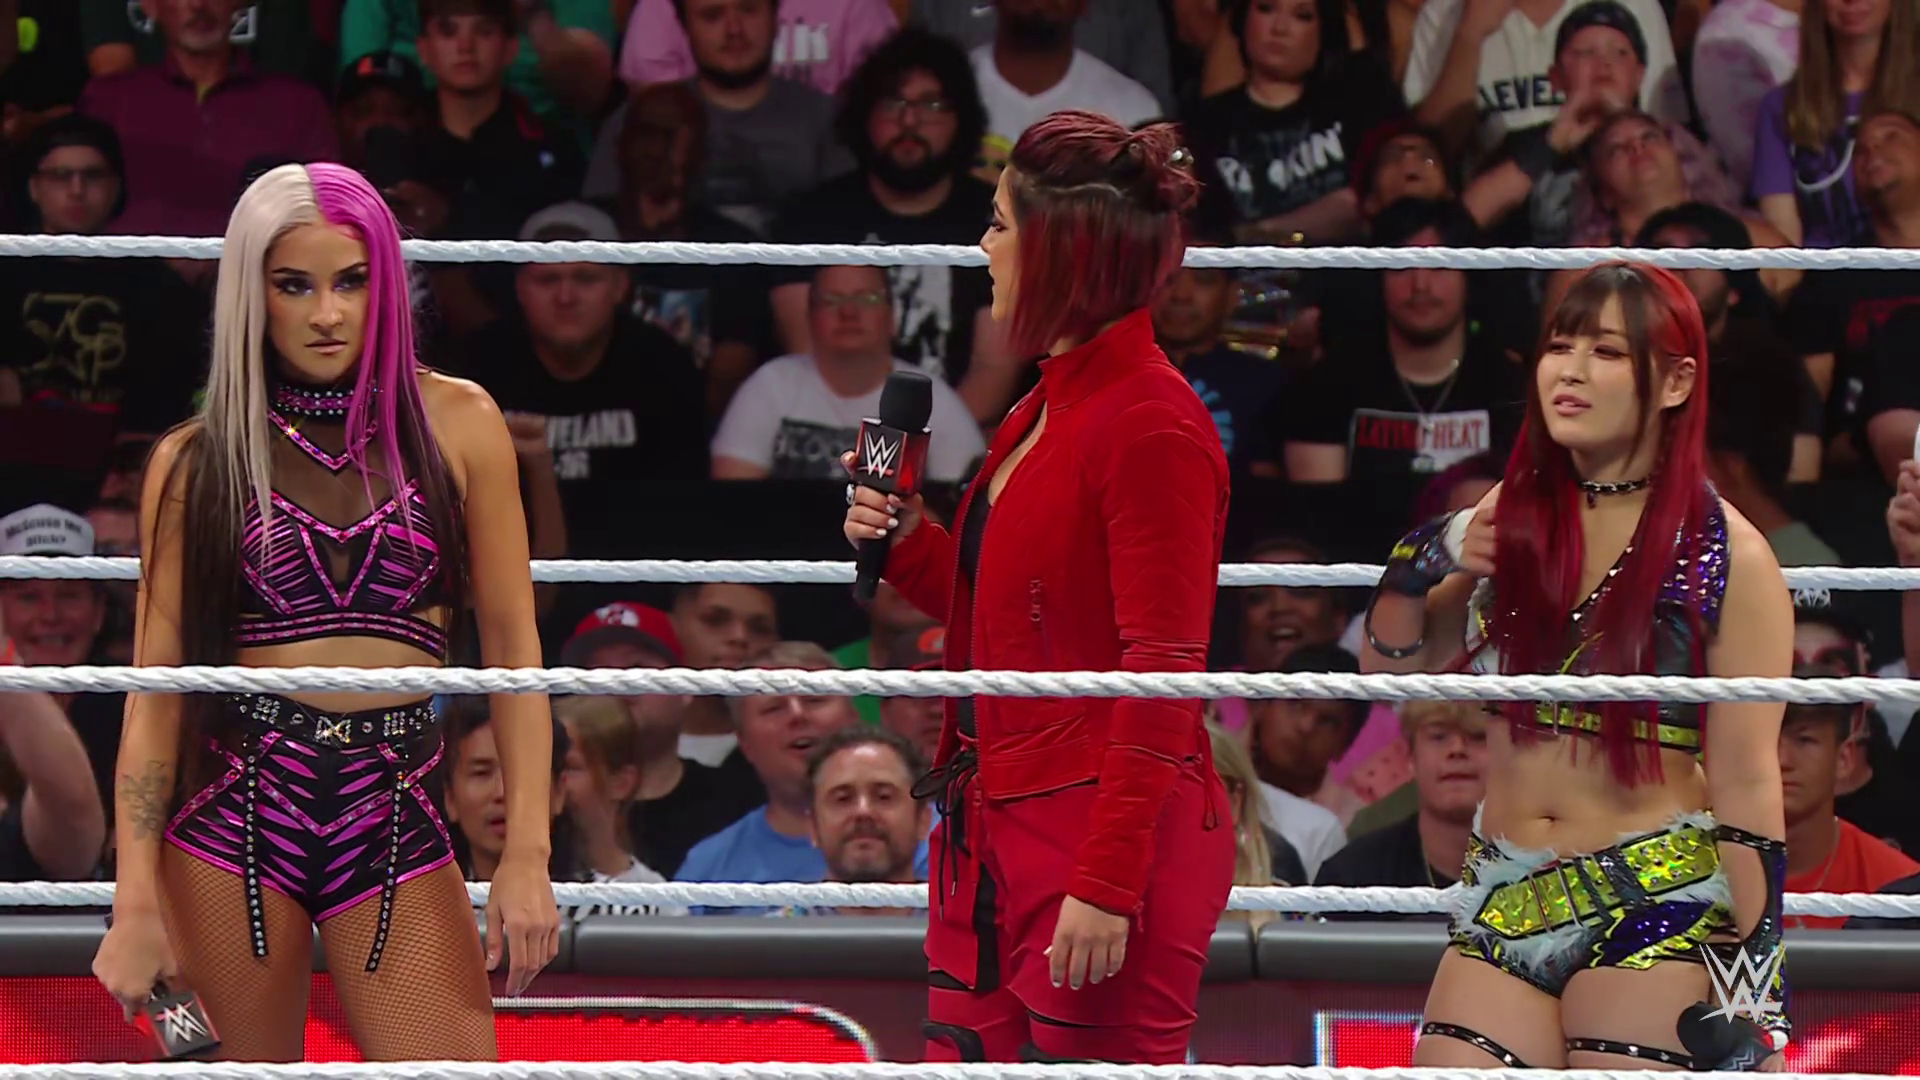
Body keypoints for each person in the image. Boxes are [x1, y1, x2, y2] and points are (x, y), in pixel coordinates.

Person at [89, 163, 559, 1061]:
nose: (327, 314)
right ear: (250, 293)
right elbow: (155, 696)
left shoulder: (462, 422)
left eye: (351, 281)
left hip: (394, 805)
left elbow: (514, 651)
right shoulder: (194, 460)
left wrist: (528, 855)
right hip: (230, 812)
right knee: (207, 1067)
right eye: (293, 285)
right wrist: (134, 900)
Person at [842, 109, 1233, 1064]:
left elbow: (1165, 667)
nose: (984, 248)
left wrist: (1107, 881)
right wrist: (908, 539)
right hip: (994, 824)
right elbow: (1011, 611)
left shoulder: (1150, 424)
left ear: (1060, 252)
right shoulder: (1049, 403)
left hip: (1095, 833)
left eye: (999, 224)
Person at [1361, 262, 1794, 1070]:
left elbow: (1747, 780)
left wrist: (1755, 997)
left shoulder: (1731, 554)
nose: (1571, 370)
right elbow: (1389, 671)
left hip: (1655, 904)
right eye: (1560, 346)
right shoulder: (1507, 520)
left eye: (1607, 351)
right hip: (1503, 904)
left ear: (1675, 382)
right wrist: (1422, 558)